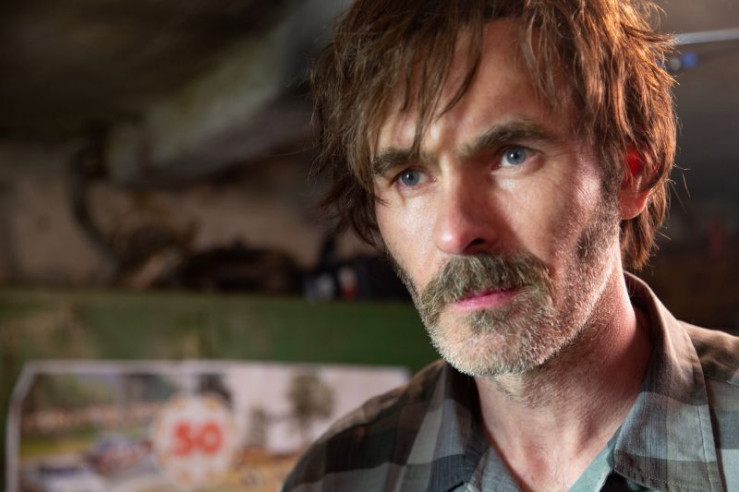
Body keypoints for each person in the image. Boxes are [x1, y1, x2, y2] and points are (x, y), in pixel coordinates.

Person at [283, 0, 739, 490]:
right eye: (410, 176)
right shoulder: (337, 476)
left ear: (631, 174)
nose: (456, 233)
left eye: (513, 155)